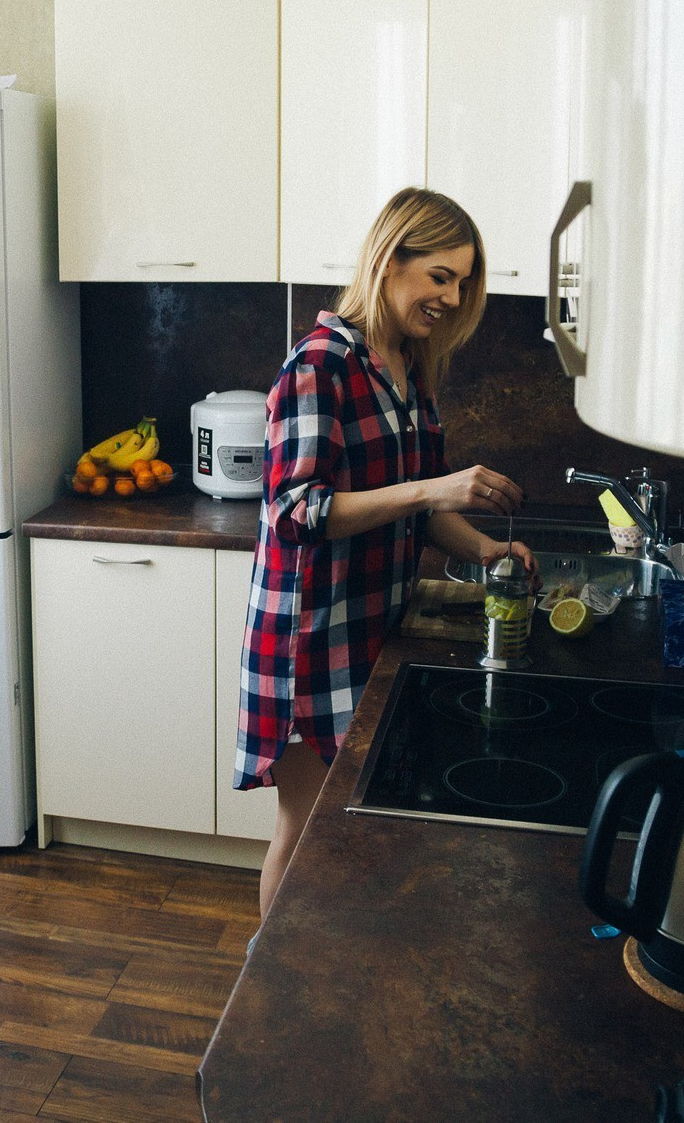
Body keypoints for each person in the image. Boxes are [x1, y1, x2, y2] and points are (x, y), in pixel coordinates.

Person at [234, 188, 539, 916]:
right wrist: (433, 489)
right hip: (310, 639)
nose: (452, 297)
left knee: (352, 834)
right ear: (388, 258)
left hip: (373, 630)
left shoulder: (407, 367)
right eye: (440, 275)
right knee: (302, 831)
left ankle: (323, 961)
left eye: (462, 282)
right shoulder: (319, 365)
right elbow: (296, 511)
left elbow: (418, 509)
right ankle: (267, 973)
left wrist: (487, 549)